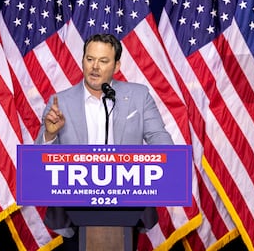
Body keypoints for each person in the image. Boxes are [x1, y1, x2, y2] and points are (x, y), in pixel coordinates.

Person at [36, 33, 174, 250]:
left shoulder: (139, 96)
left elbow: (159, 138)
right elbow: (38, 164)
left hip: (127, 207)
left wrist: (170, 163)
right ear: (82, 60)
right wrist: (50, 135)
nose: (95, 67)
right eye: (90, 59)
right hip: (73, 212)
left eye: (103, 61)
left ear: (117, 66)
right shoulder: (59, 102)